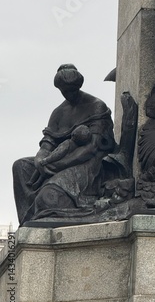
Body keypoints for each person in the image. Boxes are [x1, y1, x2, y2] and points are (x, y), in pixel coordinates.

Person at [13, 64, 116, 224]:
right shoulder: (58, 112)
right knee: (20, 166)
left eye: (72, 90)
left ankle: (51, 209)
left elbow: (92, 148)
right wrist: (40, 160)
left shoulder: (96, 105)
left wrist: (58, 165)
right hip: (56, 161)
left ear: (79, 86)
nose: (69, 94)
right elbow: (47, 145)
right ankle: (27, 221)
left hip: (86, 162)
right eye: (65, 91)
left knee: (49, 196)